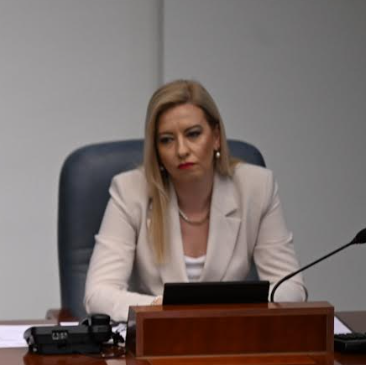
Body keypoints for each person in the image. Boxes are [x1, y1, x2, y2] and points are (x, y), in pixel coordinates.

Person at [84, 79, 304, 322]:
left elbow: (291, 288)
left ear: (216, 136)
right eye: (166, 139)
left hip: (232, 333)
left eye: (193, 134)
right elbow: (98, 294)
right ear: (156, 150)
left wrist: (233, 308)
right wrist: (162, 307)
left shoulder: (256, 187)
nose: (181, 150)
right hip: (158, 335)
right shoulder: (129, 191)